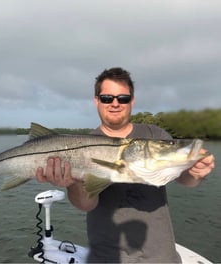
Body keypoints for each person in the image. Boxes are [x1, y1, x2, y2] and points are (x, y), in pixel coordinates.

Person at [36, 67, 215, 263]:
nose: (115, 103)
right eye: (107, 98)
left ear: (132, 100)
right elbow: (86, 204)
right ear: (96, 100)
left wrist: (196, 173)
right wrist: (72, 183)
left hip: (162, 257)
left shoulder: (155, 135)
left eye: (122, 98)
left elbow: (183, 178)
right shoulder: (84, 142)